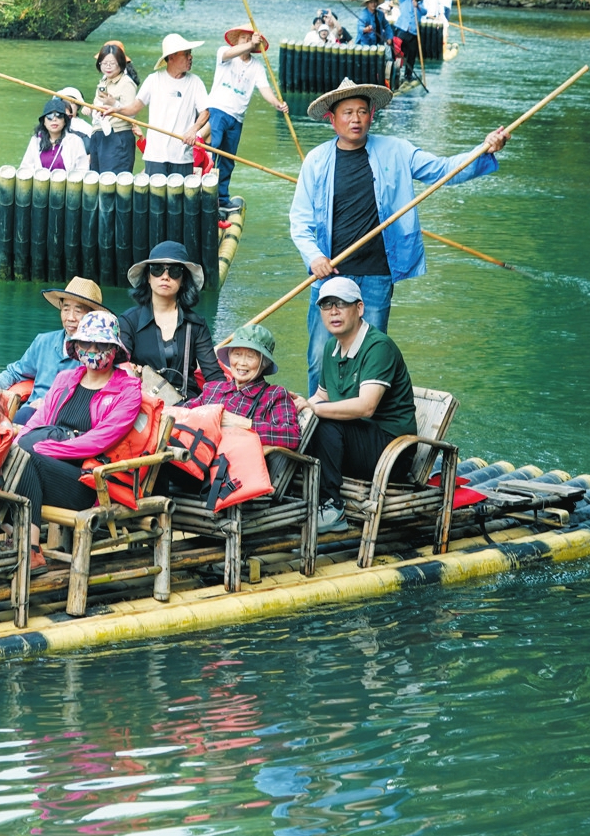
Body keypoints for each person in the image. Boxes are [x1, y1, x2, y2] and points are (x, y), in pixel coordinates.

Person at [289, 78, 511, 391]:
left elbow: (444, 170)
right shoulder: (316, 161)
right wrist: (314, 256)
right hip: (332, 276)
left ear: (372, 115)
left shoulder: (396, 150)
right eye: (348, 112)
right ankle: (320, 419)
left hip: (378, 275)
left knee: (370, 359)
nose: (356, 119)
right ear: (332, 118)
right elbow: (300, 220)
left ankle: (362, 423)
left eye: (363, 112)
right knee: (320, 356)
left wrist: (484, 148)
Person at [292, 277, 421, 535]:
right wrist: (297, 406)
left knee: (323, 422)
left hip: (390, 450)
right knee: (293, 422)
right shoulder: (332, 347)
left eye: (341, 304)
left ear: (359, 308)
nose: (333, 312)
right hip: (356, 441)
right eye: (326, 306)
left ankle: (332, 508)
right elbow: (321, 396)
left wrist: (314, 410)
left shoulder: (378, 346)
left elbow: (366, 407)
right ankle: (294, 496)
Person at [10, 310, 143, 557]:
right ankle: (5, 535)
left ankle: (31, 551)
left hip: (91, 480)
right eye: (86, 342)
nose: (92, 349)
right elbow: (38, 421)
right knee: (10, 457)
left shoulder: (128, 392)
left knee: (28, 462)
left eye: (101, 344)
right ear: (76, 346)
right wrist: (16, 446)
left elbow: (98, 441)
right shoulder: (64, 379)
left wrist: (42, 449)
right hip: (49, 466)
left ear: (114, 350)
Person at [119, 240, 225, 400]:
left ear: (183, 280)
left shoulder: (197, 324)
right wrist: (130, 368)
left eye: (174, 271)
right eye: (157, 270)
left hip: (185, 404)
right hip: (141, 403)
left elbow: (213, 375)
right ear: (148, 277)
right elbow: (118, 366)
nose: (165, 276)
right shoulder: (128, 321)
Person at [0, 277, 107, 421]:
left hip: (68, 419)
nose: (70, 318)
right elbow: (14, 372)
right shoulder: (43, 341)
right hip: (30, 415)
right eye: (66, 309)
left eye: (78, 311)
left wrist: (50, 406)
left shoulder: (99, 354)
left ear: (92, 316)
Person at [180, 321, 300, 450]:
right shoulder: (213, 389)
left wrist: (242, 423)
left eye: (250, 356)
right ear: (230, 356)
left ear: (264, 363)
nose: (242, 363)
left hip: (238, 466)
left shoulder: (275, 394)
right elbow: (181, 413)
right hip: (197, 457)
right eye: (237, 354)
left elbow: (292, 436)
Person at [205, 25, 289, 208]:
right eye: (244, 38)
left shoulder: (257, 66)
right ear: (237, 41)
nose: (247, 41)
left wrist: (277, 103)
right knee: (210, 152)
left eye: (250, 39)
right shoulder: (225, 54)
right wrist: (249, 43)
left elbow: (264, 88)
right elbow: (228, 54)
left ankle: (221, 199)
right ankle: (203, 194)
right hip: (218, 110)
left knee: (227, 160)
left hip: (237, 118)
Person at [111, 34, 211, 179]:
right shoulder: (154, 80)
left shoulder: (195, 82)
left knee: (177, 200)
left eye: (190, 54)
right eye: (186, 54)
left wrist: (193, 131)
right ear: (171, 57)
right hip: (155, 155)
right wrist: (116, 109)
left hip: (182, 156)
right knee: (156, 200)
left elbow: (205, 112)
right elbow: (134, 108)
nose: (190, 57)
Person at [89, 41, 141, 173]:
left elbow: (132, 113)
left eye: (112, 63)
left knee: (113, 181)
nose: (108, 67)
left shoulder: (126, 83)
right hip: (98, 134)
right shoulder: (102, 82)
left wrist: (114, 104)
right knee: (96, 179)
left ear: (121, 63)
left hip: (118, 136)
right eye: (104, 63)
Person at [19, 96, 90, 175]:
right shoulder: (36, 140)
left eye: (59, 116)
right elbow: (25, 168)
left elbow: (83, 170)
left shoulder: (75, 141)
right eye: (50, 116)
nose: (54, 119)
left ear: (65, 121)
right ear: (44, 122)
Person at [395, 0, 425, 80]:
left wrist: (418, 6)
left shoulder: (421, 4)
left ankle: (408, 75)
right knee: (397, 53)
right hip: (402, 31)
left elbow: (425, 12)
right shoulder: (404, 0)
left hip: (413, 33)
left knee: (411, 55)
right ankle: (394, 75)